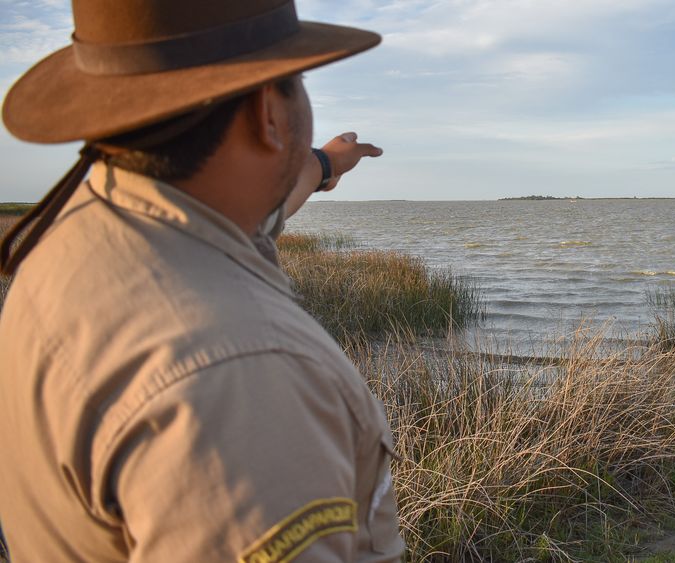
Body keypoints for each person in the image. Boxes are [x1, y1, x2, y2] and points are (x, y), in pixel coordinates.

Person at [0, 0, 405, 561]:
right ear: (268, 111)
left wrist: (324, 163)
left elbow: (263, 213)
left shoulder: (80, 234)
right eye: (299, 79)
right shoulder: (245, 373)